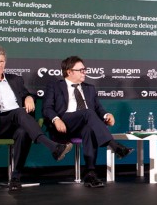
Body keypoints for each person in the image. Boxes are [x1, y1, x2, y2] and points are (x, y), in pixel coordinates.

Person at [0, 44, 73, 192]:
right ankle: (53, 146)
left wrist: (29, 97)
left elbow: (25, 95)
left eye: (2, 61)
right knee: (18, 112)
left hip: (17, 123)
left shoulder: (15, 79)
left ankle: (15, 178)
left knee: (23, 132)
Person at [42, 55, 133, 188]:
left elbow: (98, 108)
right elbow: (47, 108)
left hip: (83, 124)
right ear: (69, 72)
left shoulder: (89, 88)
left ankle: (90, 173)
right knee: (88, 112)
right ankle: (114, 145)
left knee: (89, 129)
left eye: (85, 69)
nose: (85, 72)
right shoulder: (55, 86)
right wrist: (56, 119)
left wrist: (107, 115)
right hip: (63, 123)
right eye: (81, 70)